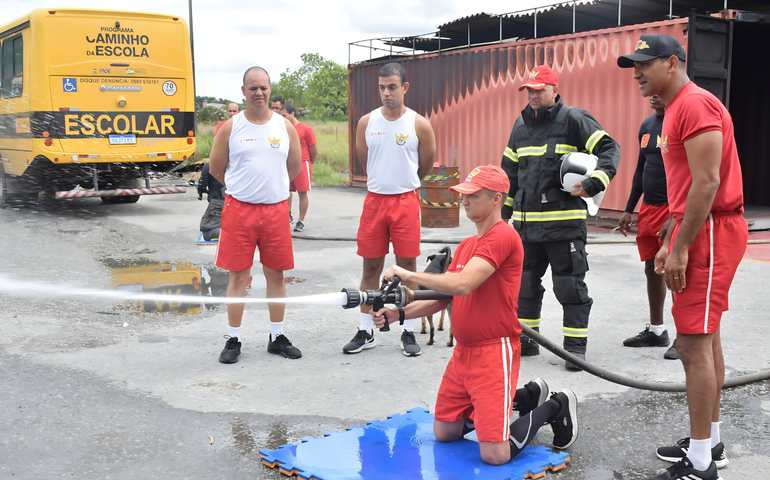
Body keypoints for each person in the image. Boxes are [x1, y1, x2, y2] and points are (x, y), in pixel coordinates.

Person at [372, 165, 579, 465]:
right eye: (463, 195)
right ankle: (526, 395)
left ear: (496, 199)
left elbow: (463, 284)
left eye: (472, 195)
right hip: (464, 354)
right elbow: (445, 296)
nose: (464, 201)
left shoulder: (503, 236)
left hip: (494, 351)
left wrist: (407, 273)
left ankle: (557, 405)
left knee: (495, 455)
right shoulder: (468, 245)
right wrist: (397, 314)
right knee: (445, 432)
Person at [619, 33, 747, 480]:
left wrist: (682, 248)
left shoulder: (695, 105)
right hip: (700, 229)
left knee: (692, 345)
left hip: (712, 232)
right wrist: (673, 237)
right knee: (706, 340)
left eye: (644, 64)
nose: (636, 73)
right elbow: (687, 187)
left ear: (671, 63)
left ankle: (700, 463)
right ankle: (708, 444)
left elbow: (708, 183)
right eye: (634, 65)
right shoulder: (674, 109)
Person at [500, 65, 620, 370]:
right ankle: (527, 342)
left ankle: (574, 349)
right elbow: (510, 175)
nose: (533, 94)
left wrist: (596, 181)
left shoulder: (574, 119)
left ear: (555, 90)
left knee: (569, 287)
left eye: (539, 89)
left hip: (564, 227)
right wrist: (501, 213)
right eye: (529, 89)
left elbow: (610, 148)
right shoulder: (520, 127)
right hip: (526, 229)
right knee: (525, 286)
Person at [209, 66, 303, 363]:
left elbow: (294, 168)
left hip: (276, 211)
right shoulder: (231, 127)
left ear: (270, 89)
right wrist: (243, 189)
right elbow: (216, 169)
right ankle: (233, 338)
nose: (258, 92)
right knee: (238, 277)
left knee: (276, 276)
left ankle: (276, 337)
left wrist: (271, 189)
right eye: (252, 88)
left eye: (263, 87)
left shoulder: (285, 127)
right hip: (239, 211)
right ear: (243, 91)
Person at [342, 62, 436, 357]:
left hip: (405, 201)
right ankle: (365, 330)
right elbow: (363, 160)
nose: (386, 93)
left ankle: (407, 330)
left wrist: (405, 184)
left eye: (392, 87)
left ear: (404, 88)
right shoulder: (366, 123)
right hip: (375, 200)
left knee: (407, 270)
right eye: (382, 87)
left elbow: (426, 165)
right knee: (371, 267)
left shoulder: (419, 124)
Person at [618, 95, 679, 360]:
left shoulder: (679, 123)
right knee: (651, 268)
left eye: (659, 90)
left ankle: (684, 337)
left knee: (676, 271)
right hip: (649, 209)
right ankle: (657, 331)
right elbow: (641, 169)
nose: (653, 94)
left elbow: (691, 173)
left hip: (672, 209)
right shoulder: (646, 126)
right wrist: (629, 208)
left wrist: (677, 215)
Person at [279, 104, 317, 232]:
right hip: (287, 163)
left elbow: (313, 148)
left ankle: (301, 220)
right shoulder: (282, 129)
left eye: (284, 115)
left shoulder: (305, 129)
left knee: (302, 193)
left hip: (302, 163)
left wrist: (309, 162)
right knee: (285, 191)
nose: (282, 118)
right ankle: (286, 215)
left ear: (292, 114)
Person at [197, 162, 225, 241]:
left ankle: (230, 234)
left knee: (208, 231)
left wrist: (203, 191)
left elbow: (202, 185)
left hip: (217, 202)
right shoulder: (239, 164)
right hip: (238, 202)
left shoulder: (210, 165)